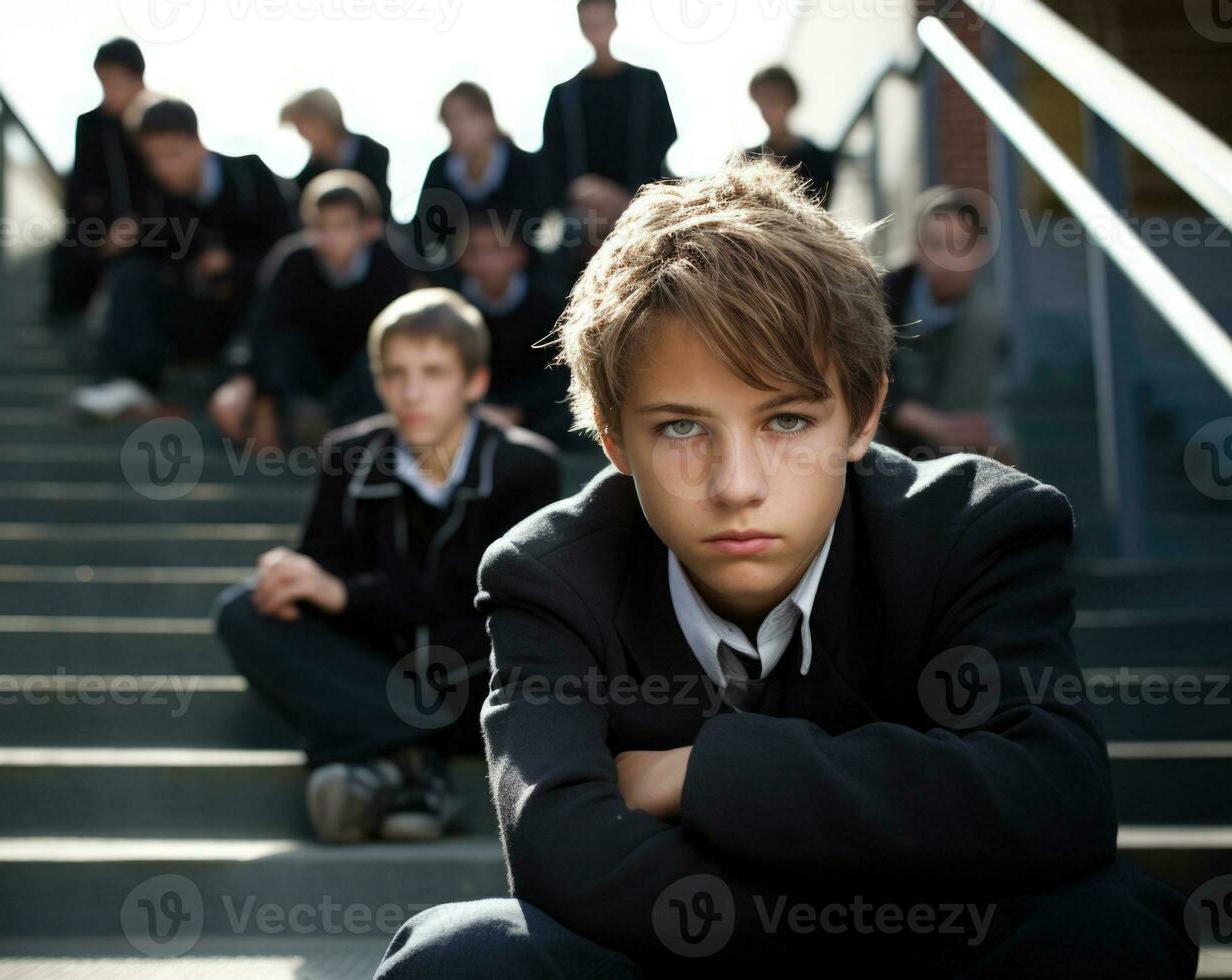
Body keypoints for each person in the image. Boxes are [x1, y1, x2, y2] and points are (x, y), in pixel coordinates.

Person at [375, 156, 1197, 976]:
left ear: (864, 413)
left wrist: (704, 772)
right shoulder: (545, 577)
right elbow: (562, 852)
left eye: (788, 421)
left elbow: (1053, 798)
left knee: (1109, 924)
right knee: (460, 955)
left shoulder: (975, 530)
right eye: (682, 429)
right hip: (687, 958)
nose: (738, 487)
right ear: (614, 436)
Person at [214, 288, 561, 844]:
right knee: (241, 611)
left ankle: (366, 760)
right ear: (377, 381)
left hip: (472, 677)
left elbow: (479, 599)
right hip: (378, 664)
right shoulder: (348, 455)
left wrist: (345, 594)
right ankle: (411, 758)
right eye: (395, 374)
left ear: (473, 382)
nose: (412, 392)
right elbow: (320, 571)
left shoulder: (524, 465)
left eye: (433, 372)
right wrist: (292, 577)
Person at [71, 98, 292, 420]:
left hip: (252, 317)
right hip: (195, 317)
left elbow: (288, 255)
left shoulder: (250, 177)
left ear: (198, 144)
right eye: (154, 159)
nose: (164, 168)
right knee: (131, 273)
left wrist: (233, 266)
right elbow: (156, 266)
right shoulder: (154, 199)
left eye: (173, 155)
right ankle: (128, 382)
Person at [209, 170, 415, 448]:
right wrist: (241, 382)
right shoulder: (293, 261)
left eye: (343, 226)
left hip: (363, 388)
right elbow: (261, 329)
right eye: (322, 226)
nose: (331, 237)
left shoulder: (389, 263)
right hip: (305, 382)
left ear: (369, 228)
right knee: (283, 346)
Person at [879, 186, 1016, 464]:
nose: (947, 258)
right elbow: (863, 380)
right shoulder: (881, 297)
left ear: (981, 250)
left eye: (960, 245)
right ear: (917, 249)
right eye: (935, 244)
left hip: (950, 451)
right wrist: (926, 422)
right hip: (882, 441)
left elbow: (990, 403)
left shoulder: (987, 318)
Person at [540, 0, 676, 231]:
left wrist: (626, 197)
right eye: (589, 23)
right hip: (582, 215)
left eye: (601, 22)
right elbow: (552, 161)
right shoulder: (563, 96)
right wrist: (581, 191)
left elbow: (664, 138)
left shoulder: (647, 84)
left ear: (614, 21)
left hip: (643, 207)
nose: (596, 29)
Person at [49, 38, 152, 317]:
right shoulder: (92, 126)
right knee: (68, 256)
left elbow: (171, 184)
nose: (109, 92)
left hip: (156, 231)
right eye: (103, 82)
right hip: (102, 233)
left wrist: (139, 222)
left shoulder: (161, 121)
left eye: (116, 82)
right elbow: (80, 190)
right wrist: (100, 236)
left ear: (137, 80)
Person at [454, 214, 572, 448]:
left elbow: (561, 371)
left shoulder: (550, 302)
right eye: (475, 251)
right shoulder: (451, 306)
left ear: (519, 255)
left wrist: (517, 411)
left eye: (496, 249)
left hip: (538, 414)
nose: (486, 260)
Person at [408, 83, 550, 272]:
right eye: (449, 120)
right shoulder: (440, 170)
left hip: (525, 278)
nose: (456, 128)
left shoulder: (524, 166)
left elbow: (538, 230)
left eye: (463, 118)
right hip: (457, 280)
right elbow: (425, 236)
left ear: (489, 118)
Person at [280, 88, 392, 220]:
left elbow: (380, 208)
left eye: (302, 125)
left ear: (324, 119)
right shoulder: (311, 172)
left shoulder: (374, 153)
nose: (302, 133)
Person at [745, 65, 837, 208]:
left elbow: (819, 211)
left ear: (791, 100)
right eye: (761, 101)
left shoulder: (818, 159)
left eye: (773, 99)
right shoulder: (748, 158)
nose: (767, 109)